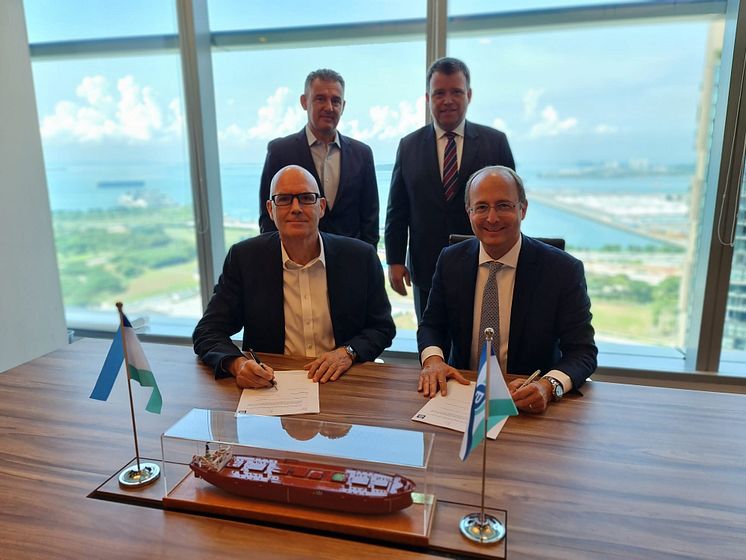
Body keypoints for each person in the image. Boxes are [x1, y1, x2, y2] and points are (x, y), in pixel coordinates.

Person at [194, 165, 395, 388]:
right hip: (272, 385)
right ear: (270, 209)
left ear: (321, 207)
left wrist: (348, 353)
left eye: (307, 198)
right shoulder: (245, 259)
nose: (296, 208)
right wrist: (238, 364)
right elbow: (208, 331)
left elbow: (382, 328)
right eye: (284, 199)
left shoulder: (360, 257)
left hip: (342, 380)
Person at [416, 166, 597, 414]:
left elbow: (582, 352)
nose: (492, 218)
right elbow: (431, 325)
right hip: (463, 395)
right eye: (481, 207)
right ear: (469, 212)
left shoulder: (562, 270)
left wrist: (549, 386)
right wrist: (434, 361)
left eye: (503, 205)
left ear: (522, 209)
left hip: (527, 403)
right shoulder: (450, 261)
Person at [385, 57, 515, 321]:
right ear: (427, 98)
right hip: (426, 267)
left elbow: (511, 205)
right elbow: (397, 210)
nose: (447, 100)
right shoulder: (408, 146)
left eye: (456, 92)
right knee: (431, 338)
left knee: (479, 337)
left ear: (469, 95)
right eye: (439, 93)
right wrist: (395, 260)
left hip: (483, 262)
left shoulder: (495, 143)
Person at [258, 69, 379, 248]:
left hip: (348, 260)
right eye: (320, 98)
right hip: (296, 262)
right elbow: (268, 217)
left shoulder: (362, 154)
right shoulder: (280, 152)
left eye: (335, 101)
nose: (329, 107)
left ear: (343, 106)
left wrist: (366, 260)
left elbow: (370, 218)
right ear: (304, 102)